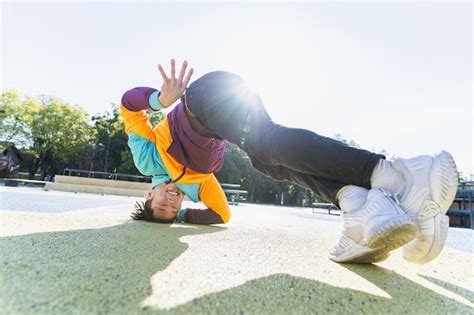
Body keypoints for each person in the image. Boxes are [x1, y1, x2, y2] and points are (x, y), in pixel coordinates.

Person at [121, 59, 458, 264]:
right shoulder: (199, 185)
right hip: (230, 107)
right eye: (171, 207)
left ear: (149, 195)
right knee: (266, 163)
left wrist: (159, 100)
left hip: (204, 96)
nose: (170, 200)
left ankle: (394, 173)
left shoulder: (147, 161)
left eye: (161, 204)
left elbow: (128, 107)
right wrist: (182, 216)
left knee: (265, 147)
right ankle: (361, 206)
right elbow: (221, 214)